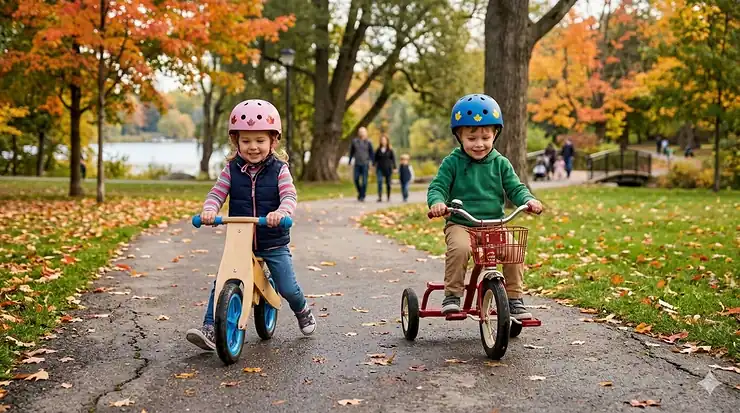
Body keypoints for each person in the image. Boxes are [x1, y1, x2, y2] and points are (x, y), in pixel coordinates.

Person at [186, 99, 316, 351]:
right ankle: (211, 328)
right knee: (223, 280)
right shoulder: (230, 170)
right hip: (240, 241)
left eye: (260, 140)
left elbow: (289, 195)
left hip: (272, 240)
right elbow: (217, 193)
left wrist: (281, 211)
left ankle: (301, 309)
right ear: (236, 141)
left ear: (273, 141)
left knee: (287, 286)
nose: (253, 147)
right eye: (246, 141)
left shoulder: (280, 170)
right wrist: (210, 210)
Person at [427, 93, 544, 319]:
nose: (479, 144)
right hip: (462, 223)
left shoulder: (500, 163)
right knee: (459, 249)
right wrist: (438, 202)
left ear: (495, 135)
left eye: (485, 137)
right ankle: (452, 295)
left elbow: (515, 187)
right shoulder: (452, 162)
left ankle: (514, 298)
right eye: (471, 139)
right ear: (459, 137)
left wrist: (528, 200)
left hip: (494, 225)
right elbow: (438, 187)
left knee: (513, 251)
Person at [348, 127, 374, 202]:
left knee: (364, 181)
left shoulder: (369, 142)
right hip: (357, 163)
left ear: (366, 133)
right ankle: (360, 192)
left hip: (365, 163)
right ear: (358, 133)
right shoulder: (355, 141)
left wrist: (373, 163)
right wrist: (349, 161)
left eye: (363, 132)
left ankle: (362, 195)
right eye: (360, 132)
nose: (362, 133)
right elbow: (351, 152)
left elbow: (372, 153)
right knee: (356, 179)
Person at [373, 134, 396, 202]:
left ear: (387, 141)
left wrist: (395, 167)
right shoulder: (378, 149)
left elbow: (393, 159)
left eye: (384, 140)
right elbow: (375, 159)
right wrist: (373, 166)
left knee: (388, 183)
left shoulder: (390, 150)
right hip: (380, 168)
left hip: (388, 168)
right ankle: (379, 197)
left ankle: (388, 196)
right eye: (382, 140)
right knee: (379, 182)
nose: (383, 141)